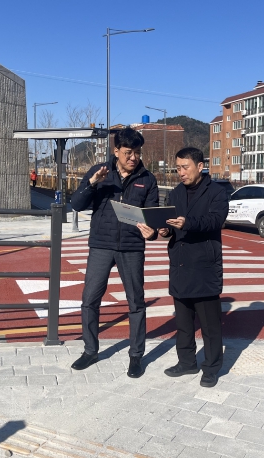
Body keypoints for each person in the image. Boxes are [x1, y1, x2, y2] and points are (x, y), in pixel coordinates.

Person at [69, 127, 158, 378]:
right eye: (128, 152)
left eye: (137, 152)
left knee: (136, 303)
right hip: (101, 245)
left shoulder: (147, 179)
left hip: (132, 247)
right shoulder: (100, 172)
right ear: (116, 150)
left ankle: (136, 356)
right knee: (90, 300)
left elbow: (152, 216)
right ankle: (90, 350)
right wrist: (92, 183)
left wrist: (151, 232)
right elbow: (76, 204)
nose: (133, 157)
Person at [139, 147, 229, 388]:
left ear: (200, 166)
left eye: (185, 167)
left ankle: (211, 368)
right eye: (178, 168)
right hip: (179, 263)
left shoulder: (217, 193)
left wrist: (187, 223)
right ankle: (187, 362)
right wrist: (161, 230)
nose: (181, 172)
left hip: (204, 266)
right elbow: (169, 227)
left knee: (210, 325)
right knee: (183, 322)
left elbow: (215, 220)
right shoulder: (176, 193)